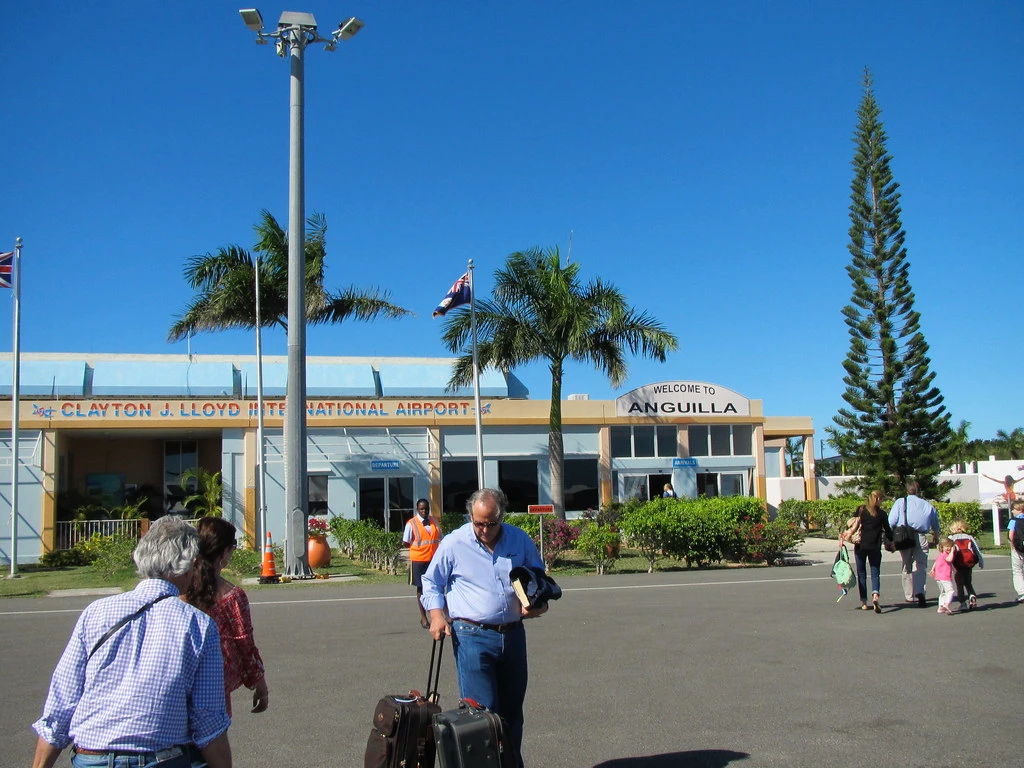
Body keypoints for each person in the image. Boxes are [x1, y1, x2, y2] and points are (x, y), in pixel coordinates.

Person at [32, 515, 231, 768]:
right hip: (161, 757)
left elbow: (61, 705)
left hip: (92, 756)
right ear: (189, 566)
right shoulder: (199, 625)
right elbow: (208, 722)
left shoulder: (95, 613)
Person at [421, 488, 550, 768]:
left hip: (513, 635)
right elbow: (431, 582)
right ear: (470, 516)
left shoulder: (519, 539)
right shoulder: (455, 543)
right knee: (481, 716)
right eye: (478, 523)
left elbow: (537, 578)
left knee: (512, 714)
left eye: (491, 523)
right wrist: (436, 615)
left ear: (501, 516)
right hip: (471, 637)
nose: (484, 530)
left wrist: (538, 603)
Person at [184, 517, 269, 717]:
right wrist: (260, 686)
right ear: (224, 553)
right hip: (214, 685)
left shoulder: (180, 588)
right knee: (213, 742)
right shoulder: (232, 596)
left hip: (178, 681)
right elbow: (245, 646)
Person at [888, 480, 941, 607]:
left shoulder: (901, 502)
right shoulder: (927, 505)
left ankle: (909, 595)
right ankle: (920, 591)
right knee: (921, 565)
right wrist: (936, 537)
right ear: (918, 490)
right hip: (921, 535)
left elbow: (891, 521)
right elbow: (936, 525)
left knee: (907, 564)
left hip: (905, 536)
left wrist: (889, 537)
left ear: (907, 490)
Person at [842, 490, 892, 613]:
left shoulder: (861, 510)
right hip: (874, 547)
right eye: (882, 500)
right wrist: (892, 542)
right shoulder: (882, 514)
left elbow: (852, 524)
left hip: (860, 546)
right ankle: (875, 595)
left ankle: (864, 602)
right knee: (875, 573)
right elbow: (888, 532)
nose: (882, 502)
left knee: (862, 574)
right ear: (878, 499)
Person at [402, 497, 443, 629]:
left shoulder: (434, 521)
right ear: (417, 509)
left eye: (426, 509)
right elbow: (405, 541)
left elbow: (439, 538)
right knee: (421, 588)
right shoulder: (411, 523)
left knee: (435, 587)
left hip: (433, 559)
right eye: (422, 509)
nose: (424, 511)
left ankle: (437, 615)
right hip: (419, 560)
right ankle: (423, 617)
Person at [947, 519, 984, 610]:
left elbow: (947, 551)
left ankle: (962, 603)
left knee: (959, 584)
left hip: (957, 564)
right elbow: (976, 550)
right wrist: (980, 561)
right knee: (968, 582)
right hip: (969, 563)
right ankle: (972, 596)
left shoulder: (951, 538)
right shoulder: (969, 537)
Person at [928, 537, 957, 614]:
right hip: (945, 577)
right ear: (942, 547)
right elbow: (950, 560)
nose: (948, 548)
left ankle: (940, 607)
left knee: (943, 592)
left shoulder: (941, 555)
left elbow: (937, 562)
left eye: (950, 546)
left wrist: (932, 569)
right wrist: (952, 552)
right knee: (950, 591)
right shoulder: (945, 555)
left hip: (939, 577)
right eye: (946, 546)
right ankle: (946, 604)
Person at [1008, 500, 1024, 604]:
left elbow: (1011, 535)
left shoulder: (1013, 521)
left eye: (1013, 509)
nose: (1012, 511)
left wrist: (1012, 546)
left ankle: (1022, 593)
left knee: (1017, 570)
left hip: (1018, 549)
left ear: (1019, 509)